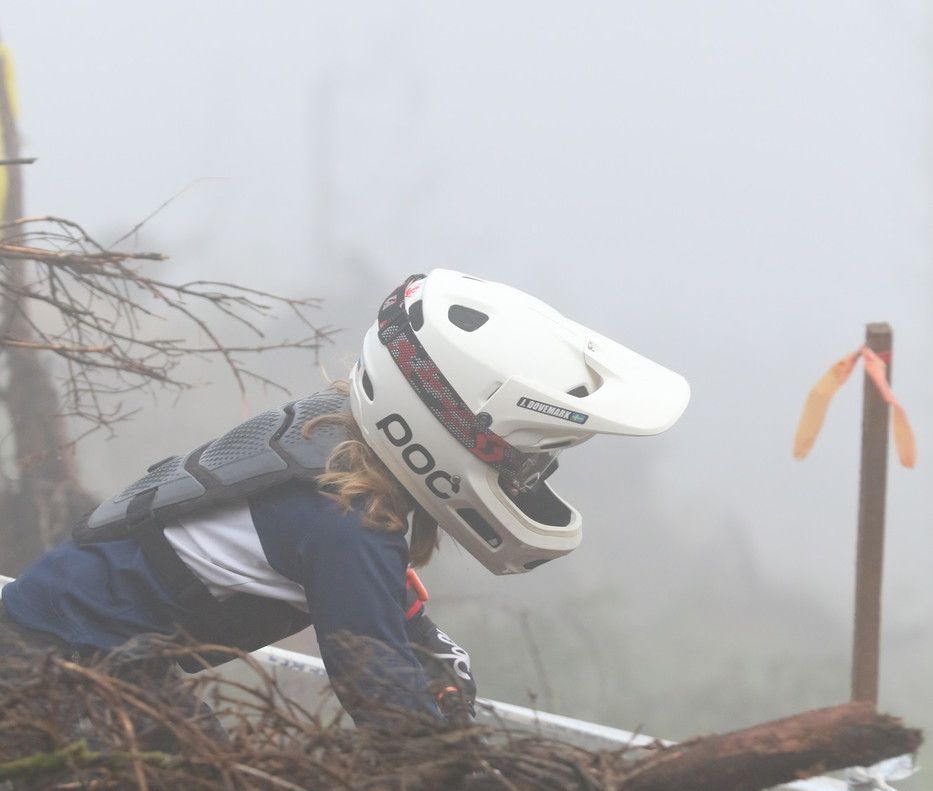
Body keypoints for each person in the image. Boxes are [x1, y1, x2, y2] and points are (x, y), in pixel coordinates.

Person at [0, 269, 689, 730]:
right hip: (53, 668)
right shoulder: (348, 525)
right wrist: (459, 774)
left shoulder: (326, 448)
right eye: (526, 456)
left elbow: (379, 611)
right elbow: (383, 702)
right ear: (454, 425)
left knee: (210, 789)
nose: (526, 474)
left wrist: (427, 647)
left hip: (75, 648)